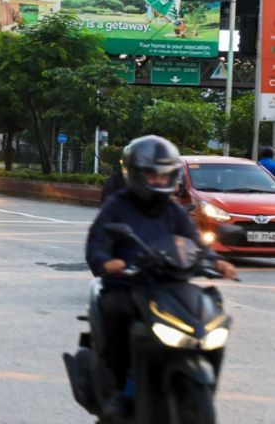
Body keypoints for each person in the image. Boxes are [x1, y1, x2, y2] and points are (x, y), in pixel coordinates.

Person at [86, 135, 236, 415]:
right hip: (128, 285)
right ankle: (118, 389)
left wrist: (216, 262)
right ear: (135, 173)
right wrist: (108, 263)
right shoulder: (117, 206)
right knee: (118, 312)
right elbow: (96, 246)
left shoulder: (174, 211)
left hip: (170, 284)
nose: (157, 180)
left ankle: (200, 383)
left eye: (163, 175)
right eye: (150, 175)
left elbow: (196, 242)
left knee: (211, 309)